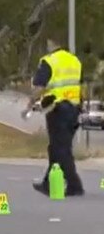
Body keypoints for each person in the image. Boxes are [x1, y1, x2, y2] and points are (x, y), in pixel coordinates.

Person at [22, 37, 84, 196]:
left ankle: (74, 185)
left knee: (60, 149)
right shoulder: (74, 60)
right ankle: (48, 183)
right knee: (59, 147)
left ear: (51, 42)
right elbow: (80, 84)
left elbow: (39, 87)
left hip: (57, 109)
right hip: (74, 108)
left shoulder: (49, 61)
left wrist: (29, 105)